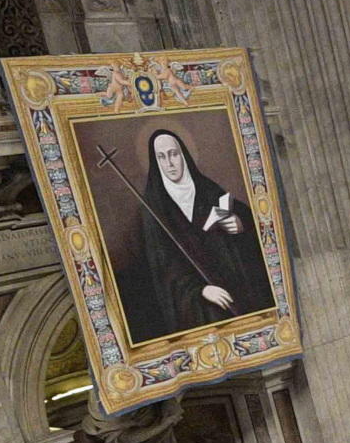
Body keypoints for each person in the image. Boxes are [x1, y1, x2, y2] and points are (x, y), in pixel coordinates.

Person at [113, 124, 273, 343]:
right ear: (155, 162)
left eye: (173, 154)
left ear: (184, 155)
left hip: (236, 293)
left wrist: (239, 224)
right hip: (195, 308)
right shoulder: (153, 211)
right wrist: (200, 291)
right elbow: (163, 270)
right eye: (161, 158)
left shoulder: (209, 191)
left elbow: (256, 227)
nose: (169, 164)